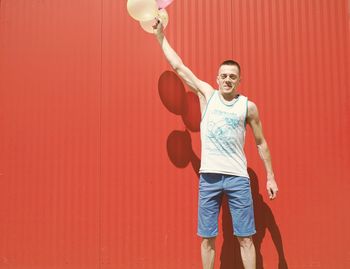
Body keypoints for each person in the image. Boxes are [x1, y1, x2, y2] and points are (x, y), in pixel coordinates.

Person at [153, 19, 279, 269]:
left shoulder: (248, 107)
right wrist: (160, 36)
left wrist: (270, 177)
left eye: (233, 76)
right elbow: (178, 67)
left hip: (237, 179)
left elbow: (261, 143)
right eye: (224, 76)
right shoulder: (207, 95)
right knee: (207, 238)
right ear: (217, 78)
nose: (227, 80)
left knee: (246, 238)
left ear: (239, 80)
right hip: (209, 177)